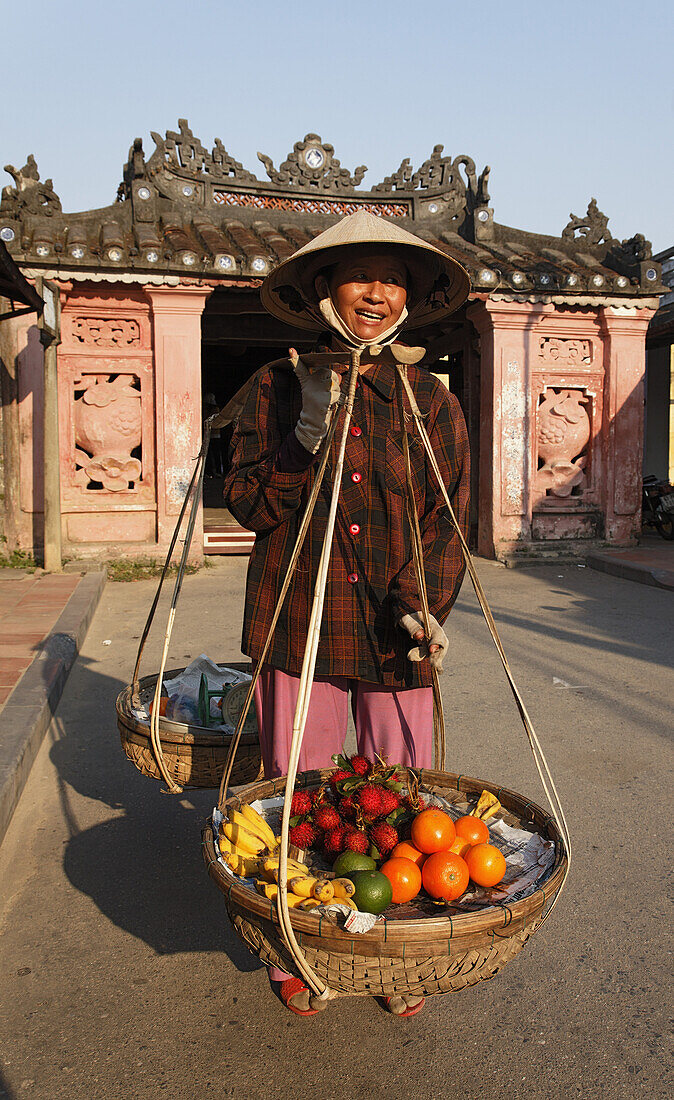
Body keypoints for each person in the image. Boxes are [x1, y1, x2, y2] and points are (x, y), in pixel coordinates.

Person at [223, 211, 471, 1016]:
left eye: (393, 278)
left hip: (396, 636)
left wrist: (426, 610)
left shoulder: (431, 398)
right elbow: (250, 506)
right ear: (324, 287)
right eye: (360, 275)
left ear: (411, 296)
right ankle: (299, 948)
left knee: (404, 805)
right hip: (301, 623)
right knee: (301, 800)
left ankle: (396, 951)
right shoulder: (278, 384)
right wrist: (302, 435)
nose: (377, 292)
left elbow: (447, 519)